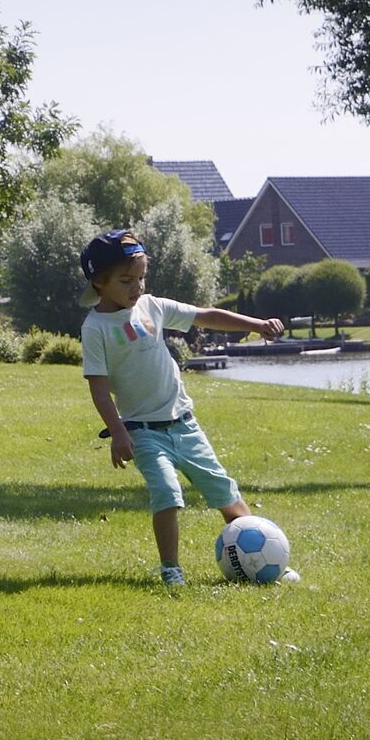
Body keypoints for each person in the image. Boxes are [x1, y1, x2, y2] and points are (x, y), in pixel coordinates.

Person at [79, 229, 286, 585]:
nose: (137, 287)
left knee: (226, 494)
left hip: (185, 424)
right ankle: (171, 569)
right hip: (143, 431)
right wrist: (117, 432)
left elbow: (207, 316)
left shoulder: (153, 307)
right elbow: (98, 389)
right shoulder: (95, 328)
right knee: (167, 493)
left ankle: (259, 564)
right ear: (99, 282)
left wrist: (257, 325)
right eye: (126, 280)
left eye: (141, 277)